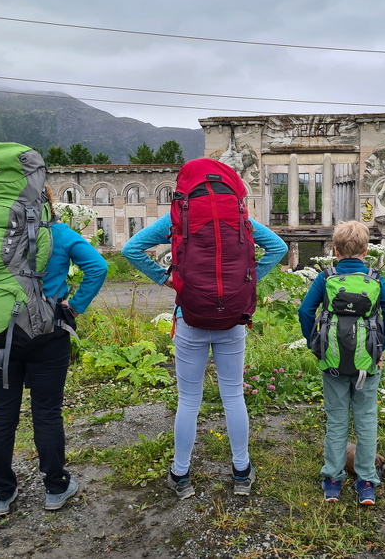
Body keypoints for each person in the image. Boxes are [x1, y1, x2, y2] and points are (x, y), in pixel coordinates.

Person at [0, 187, 107, 517]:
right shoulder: (56, 232)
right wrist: (74, 307)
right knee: (46, 412)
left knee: (1, 414)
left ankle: (0, 494)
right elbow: (98, 267)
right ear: (43, 201)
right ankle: (55, 488)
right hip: (49, 335)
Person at [121, 177, 287, 500]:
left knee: (189, 400)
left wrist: (168, 279)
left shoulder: (178, 217)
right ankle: (241, 473)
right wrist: (247, 282)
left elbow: (131, 249)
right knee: (233, 396)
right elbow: (278, 247)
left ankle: (180, 475)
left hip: (189, 318)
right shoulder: (239, 218)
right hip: (232, 320)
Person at [297, 220, 385, 505]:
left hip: (331, 363)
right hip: (368, 363)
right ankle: (366, 481)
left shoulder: (326, 278)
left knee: (337, 420)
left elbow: (305, 311)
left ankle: (332, 479)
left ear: (335, 249)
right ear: (366, 250)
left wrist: (314, 343)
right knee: (366, 419)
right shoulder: (376, 279)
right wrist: (382, 347)